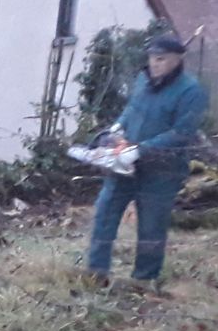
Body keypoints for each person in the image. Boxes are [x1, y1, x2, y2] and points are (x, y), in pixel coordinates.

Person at [83, 33, 208, 288]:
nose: (155, 64)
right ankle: (96, 273)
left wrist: (143, 149)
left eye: (161, 59)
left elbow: (182, 133)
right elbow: (133, 108)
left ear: (177, 60)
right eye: (152, 58)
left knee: (152, 225)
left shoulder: (191, 91)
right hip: (124, 165)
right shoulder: (143, 80)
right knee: (105, 211)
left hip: (163, 170)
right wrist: (118, 128)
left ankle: (144, 280)